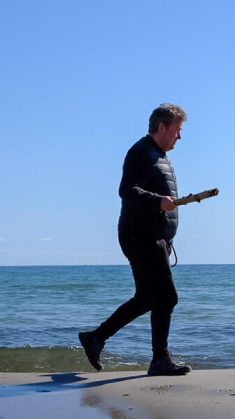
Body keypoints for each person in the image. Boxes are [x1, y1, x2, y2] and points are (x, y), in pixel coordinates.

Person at [79, 103, 191, 376]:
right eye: (176, 130)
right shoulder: (141, 152)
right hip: (141, 235)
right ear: (161, 126)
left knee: (146, 298)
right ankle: (160, 359)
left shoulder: (160, 155)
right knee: (166, 297)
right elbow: (127, 190)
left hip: (152, 237)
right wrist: (158, 202)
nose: (180, 137)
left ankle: (96, 337)